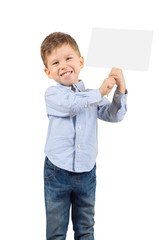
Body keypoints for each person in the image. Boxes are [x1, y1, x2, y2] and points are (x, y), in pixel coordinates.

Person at [40, 32, 128, 240]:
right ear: (48, 72)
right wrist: (100, 92)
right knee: (56, 231)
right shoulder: (52, 95)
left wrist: (119, 89)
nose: (63, 65)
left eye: (68, 58)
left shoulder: (92, 95)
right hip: (56, 172)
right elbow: (72, 105)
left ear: (80, 61)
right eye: (55, 62)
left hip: (87, 173)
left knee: (86, 228)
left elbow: (114, 115)